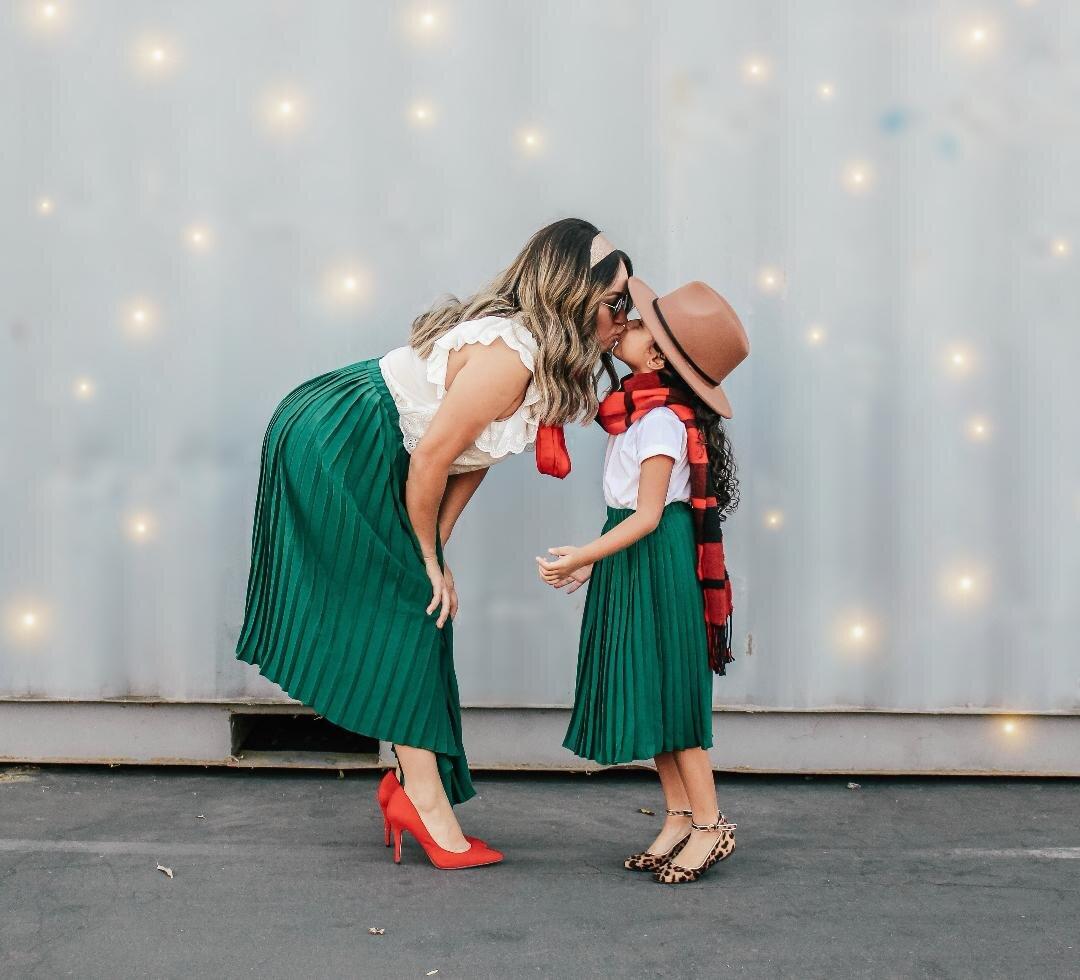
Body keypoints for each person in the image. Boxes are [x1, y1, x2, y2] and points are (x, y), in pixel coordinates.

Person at [235, 218, 633, 869]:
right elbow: (430, 463)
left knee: (423, 604)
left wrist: (436, 552)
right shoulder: (512, 359)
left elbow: (471, 458)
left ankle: (412, 788)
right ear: (571, 294)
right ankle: (420, 798)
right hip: (339, 438)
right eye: (615, 302)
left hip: (381, 445)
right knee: (408, 607)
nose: (623, 315)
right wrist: (423, 559)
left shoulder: (540, 364)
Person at [536, 278, 749, 884]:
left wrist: (584, 556)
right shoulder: (635, 412)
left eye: (637, 326)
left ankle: (710, 825)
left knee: (674, 698)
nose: (624, 324)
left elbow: (650, 515)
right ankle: (679, 817)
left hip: (656, 556)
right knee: (655, 694)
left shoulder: (658, 423)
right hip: (636, 556)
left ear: (658, 356)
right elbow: (629, 514)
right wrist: (596, 561)